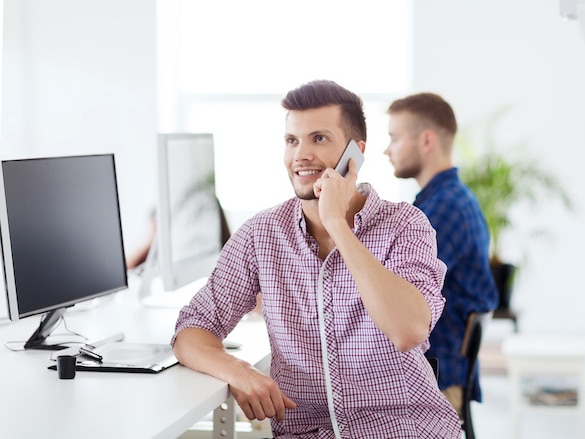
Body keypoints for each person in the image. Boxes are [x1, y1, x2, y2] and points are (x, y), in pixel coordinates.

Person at [172, 80, 462, 438]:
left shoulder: (405, 224)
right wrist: (239, 371)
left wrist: (338, 225)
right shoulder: (261, 234)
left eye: (319, 139)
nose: (301, 155)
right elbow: (191, 331)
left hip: (403, 428)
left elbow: (408, 331)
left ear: (355, 154)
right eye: (292, 140)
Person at [385, 92, 499, 417]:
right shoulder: (449, 200)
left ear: (426, 140)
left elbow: (395, 290)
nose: (387, 149)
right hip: (439, 373)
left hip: (435, 381)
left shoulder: (442, 210)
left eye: (394, 138)